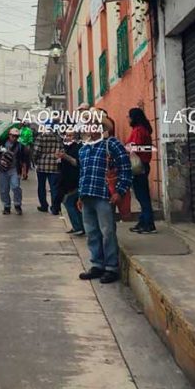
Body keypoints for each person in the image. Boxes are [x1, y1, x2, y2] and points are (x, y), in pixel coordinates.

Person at [77, 117, 132, 284]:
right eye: (88, 125)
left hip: (104, 196)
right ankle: (97, 265)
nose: (90, 127)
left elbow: (126, 169)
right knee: (92, 233)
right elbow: (83, 174)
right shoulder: (83, 149)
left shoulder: (112, 144)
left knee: (107, 232)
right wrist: (80, 196)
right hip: (87, 196)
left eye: (94, 124)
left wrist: (120, 192)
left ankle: (111, 268)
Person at [127, 108, 156, 234]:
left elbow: (136, 147)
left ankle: (148, 224)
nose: (127, 119)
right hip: (141, 165)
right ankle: (143, 221)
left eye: (129, 116)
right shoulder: (141, 129)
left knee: (142, 196)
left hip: (139, 166)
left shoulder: (138, 130)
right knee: (141, 195)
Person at [56, 130, 84, 235]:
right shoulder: (66, 147)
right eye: (67, 135)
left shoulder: (79, 148)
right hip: (66, 180)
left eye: (70, 135)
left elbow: (77, 162)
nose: (68, 137)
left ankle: (78, 226)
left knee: (68, 201)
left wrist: (65, 157)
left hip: (75, 180)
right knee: (73, 203)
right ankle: (79, 226)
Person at [32, 125, 66, 215]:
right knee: (54, 188)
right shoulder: (57, 137)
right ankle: (55, 208)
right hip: (54, 166)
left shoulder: (40, 137)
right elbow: (62, 150)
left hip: (42, 165)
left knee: (41, 187)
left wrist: (35, 161)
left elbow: (36, 151)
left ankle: (44, 206)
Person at [0, 128, 27, 215]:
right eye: (13, 136)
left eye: (16, 136)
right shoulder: (2, 144)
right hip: (2, 170)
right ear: (9, 136)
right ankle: (6, 206)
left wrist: (24, 171)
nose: (14, 138)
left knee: (16, 187)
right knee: (4, 189)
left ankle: (17, 205)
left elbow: (24, 159)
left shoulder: (20, 146)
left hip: (14, 170)